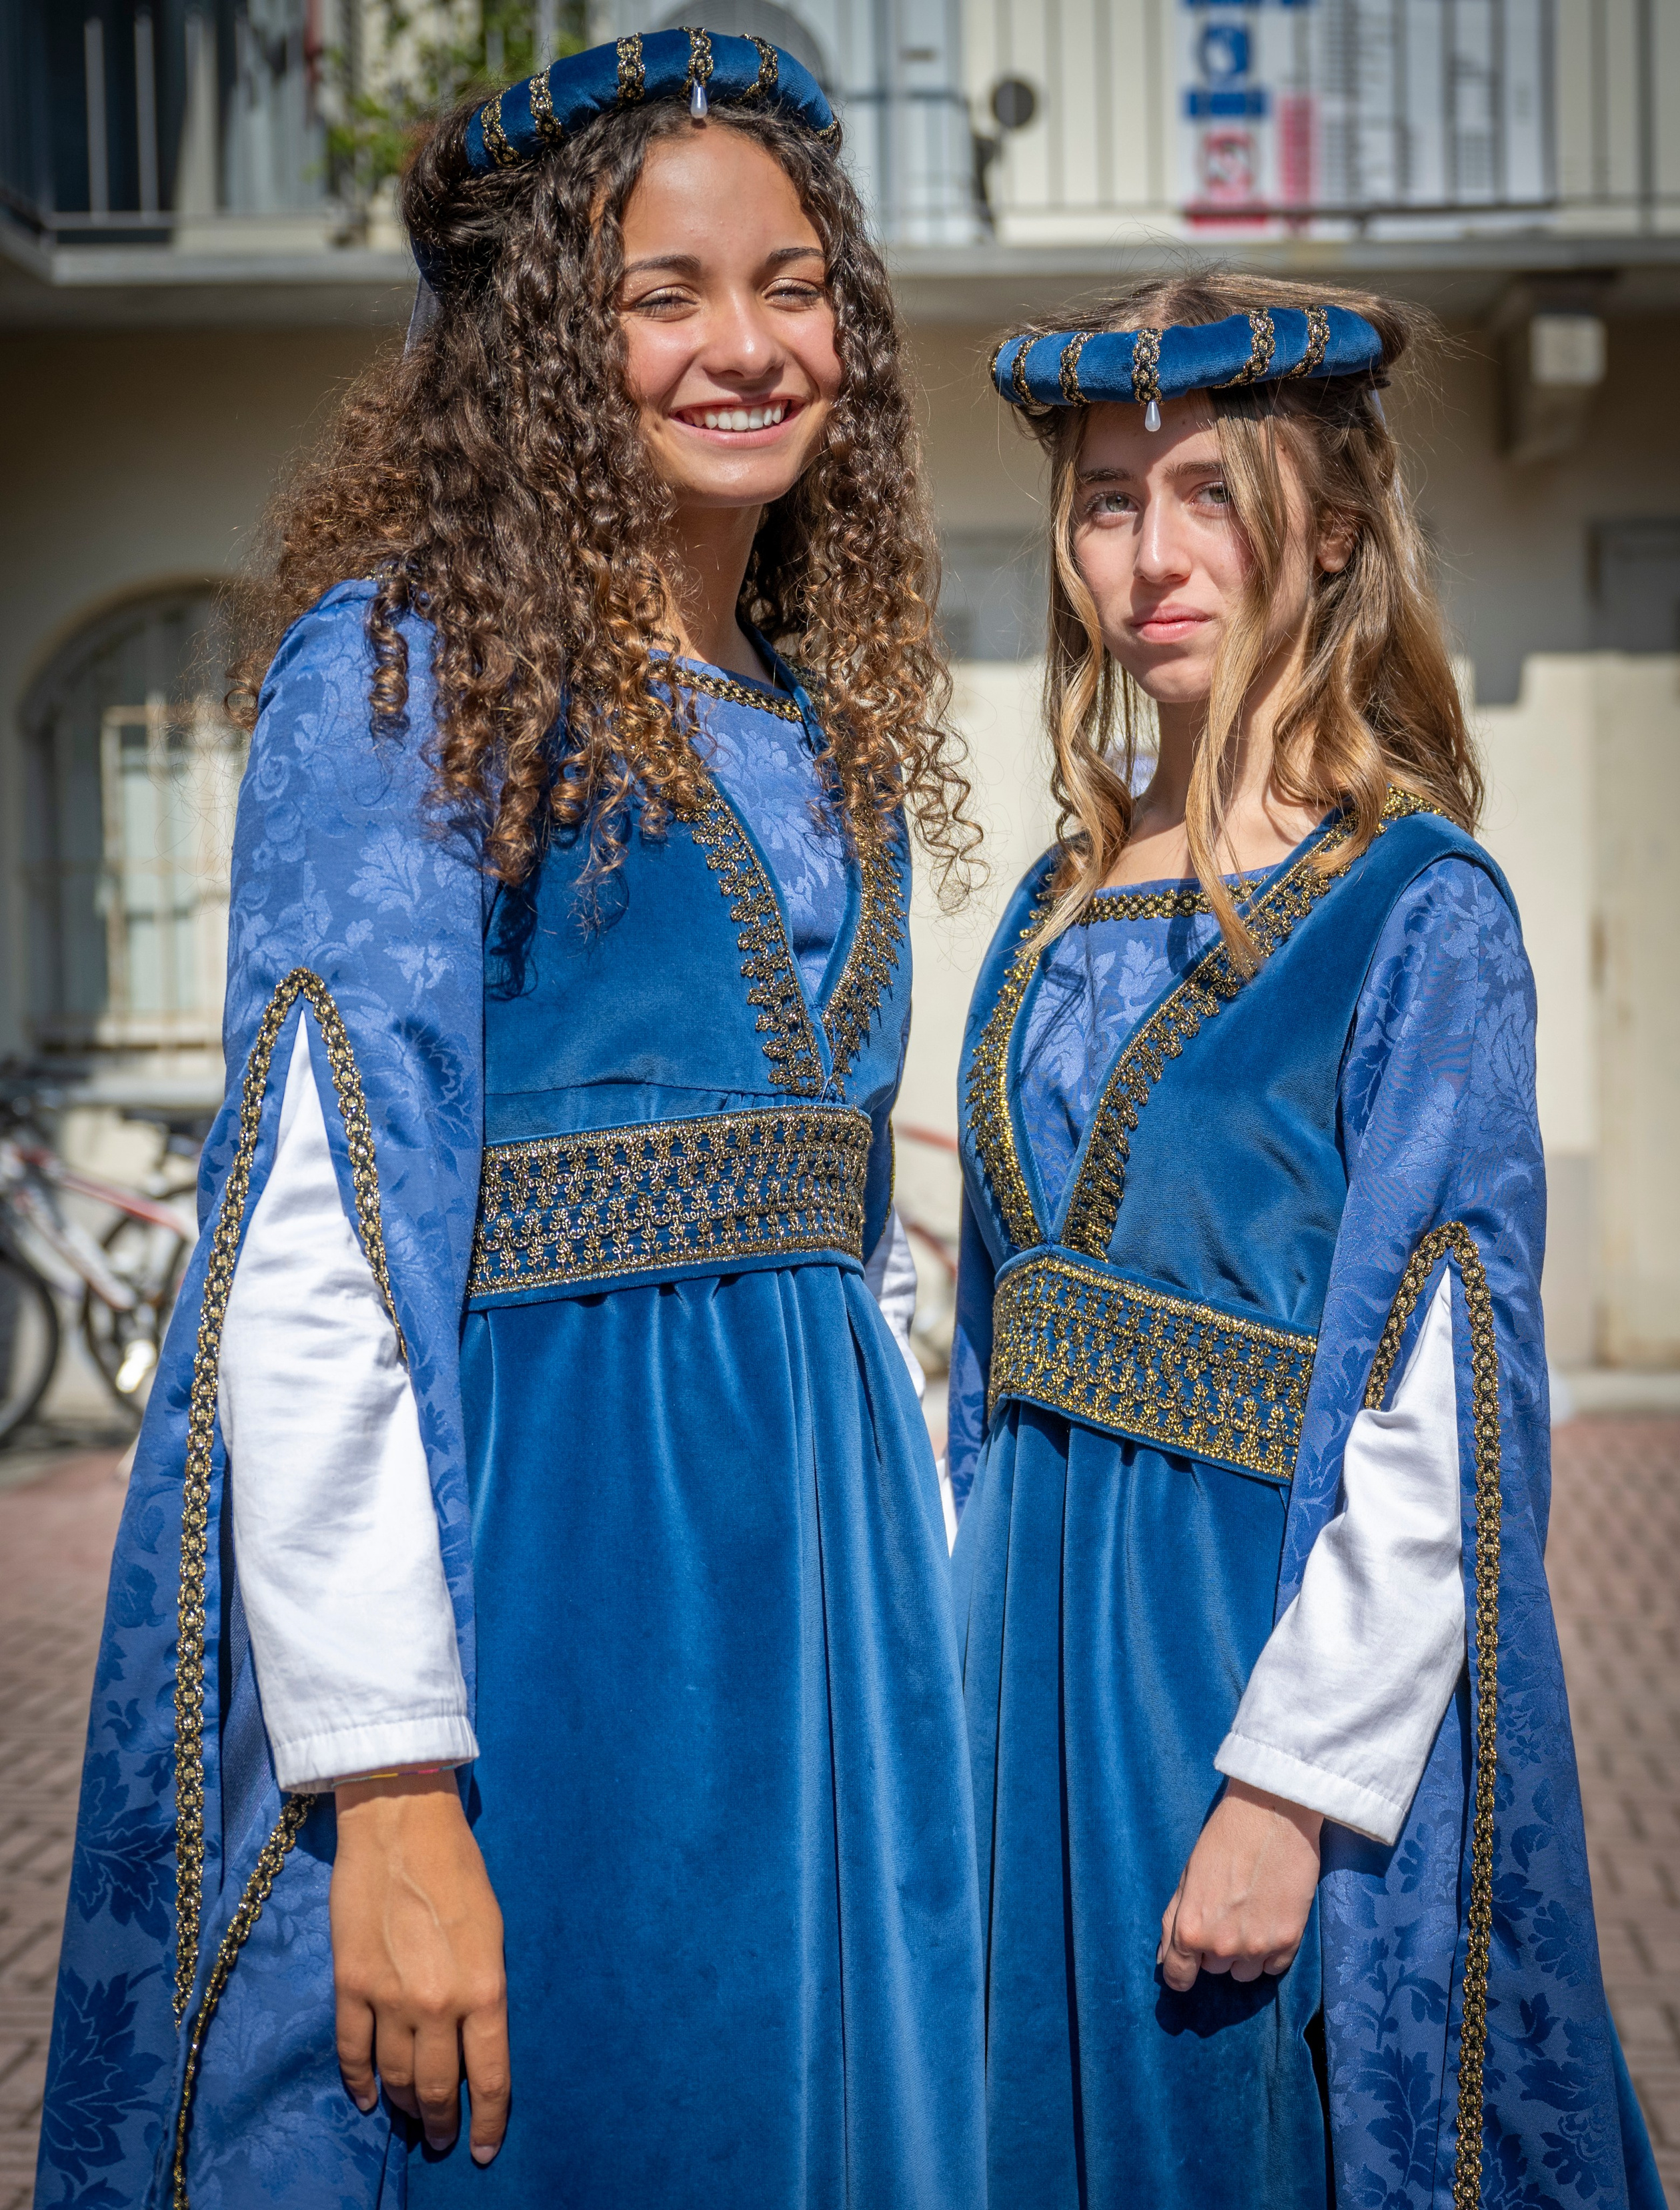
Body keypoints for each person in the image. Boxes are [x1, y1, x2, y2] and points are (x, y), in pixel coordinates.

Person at [36, 33, 985, 2209]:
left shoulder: (829, 723)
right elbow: (316, 1239)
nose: (749, 344)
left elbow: (843, 1233)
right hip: (555, 1608)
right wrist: (386, 1787)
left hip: (814, 1633)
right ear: (554, 336)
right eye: (666, 294)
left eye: (793, 281)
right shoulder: (403, 676)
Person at [947, 275, 1665, 2210]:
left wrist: (1288, 1790)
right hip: (1016, 1687)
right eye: (1108, 500)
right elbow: (978, 1358)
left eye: (1208, 493)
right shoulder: (1045, 901)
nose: (1149, 554)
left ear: (1328, 527)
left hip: (1236, 1665)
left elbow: (1446, 1407)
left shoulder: (1418, 909)